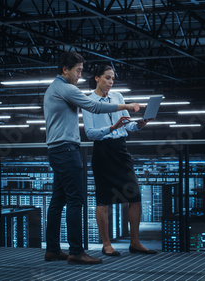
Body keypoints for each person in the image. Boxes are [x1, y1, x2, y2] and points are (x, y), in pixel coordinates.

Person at [43, 52, 141, 265]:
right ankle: (76, 252)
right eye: (77, 70)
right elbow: (95, 106)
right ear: (65, 70)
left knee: (57, 201)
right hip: (66, 151)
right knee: (75, 201)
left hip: (57, 150)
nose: (80, 75)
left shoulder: (54, 88)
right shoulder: (66, 89)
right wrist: (126, 106)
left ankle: (52, 249)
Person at [82, 64, 157, 256]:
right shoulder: (88, 100)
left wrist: (138, 125)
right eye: (107, 78)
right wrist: (112, 128)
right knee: (103, 200)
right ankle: (106, 245)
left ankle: (135, 242)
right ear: (97, 78)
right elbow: (90, 133)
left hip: (121, 150)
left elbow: (127, 125)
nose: (111, 82)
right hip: (103, 151)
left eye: (113, 79)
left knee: (135, 197)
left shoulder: (118, 97)